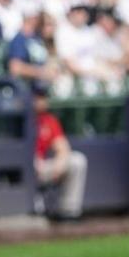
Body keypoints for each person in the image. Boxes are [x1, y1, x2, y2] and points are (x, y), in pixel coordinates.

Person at [32, 83, 88, 220]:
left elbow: (63, 147)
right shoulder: (18, 118)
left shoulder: (49, 120)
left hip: (43, 167)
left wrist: (60, 162)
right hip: (26, 167)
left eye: (43, 97)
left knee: (77, 160)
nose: (41, 101)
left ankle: (69, 211)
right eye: (38, 97)